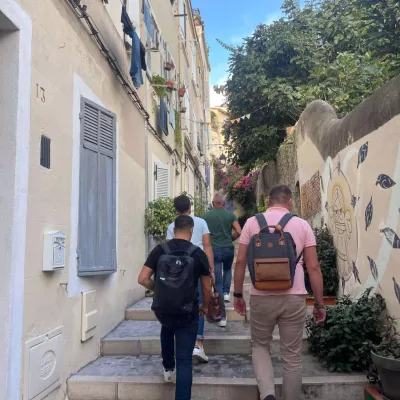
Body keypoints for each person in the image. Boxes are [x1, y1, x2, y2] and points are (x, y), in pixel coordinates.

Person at [233, 184, 326, 400]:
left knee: (259, 346)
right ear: (290, 201)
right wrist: (319, 304)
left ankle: (267, 395)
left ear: (268, 201)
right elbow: (313, 267)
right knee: (292, 356)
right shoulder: (302, 225)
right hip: (294, 296)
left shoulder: (252, 223)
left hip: (260, 296)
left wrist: (238, 295)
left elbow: (240, 261)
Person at [138, 215, 212, 400]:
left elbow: (142, 279)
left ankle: (168, 368)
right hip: (188, 311)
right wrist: (205, 305)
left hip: (164, 308)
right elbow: (206, 287)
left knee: (167, 327)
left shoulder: (160, 250)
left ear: (173, 229)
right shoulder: (197, 253)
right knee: (185, 360)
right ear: (191, 230)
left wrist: (159, 288)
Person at [166, 194, 215, 363]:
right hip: (198, 266)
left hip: (178, 271)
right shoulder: (201, 223)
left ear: (176, 209)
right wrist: (211, 269)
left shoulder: (172, 226)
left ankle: (181, 342)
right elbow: (207, 245)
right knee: (200, 303)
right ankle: (198, 344)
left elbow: (168, 250)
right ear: (189, 207)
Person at [203, 192, 242, 327]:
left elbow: (204, 235)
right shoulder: (230, 215)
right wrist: (230, 239)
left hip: (213, 250)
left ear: (213, 204)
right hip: (228, 248)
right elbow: (239, 231)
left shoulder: (206, 216)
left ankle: (222, 317)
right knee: (228, 269)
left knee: (216, 282)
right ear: (224, 204)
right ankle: (226, 293)